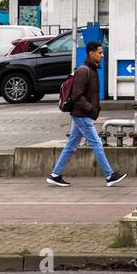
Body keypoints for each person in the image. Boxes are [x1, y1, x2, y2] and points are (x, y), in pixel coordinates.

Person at [46, 41, 126, 188]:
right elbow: (77, 95)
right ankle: (109, 175)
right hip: (82, 114)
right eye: (100, 52)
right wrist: (90, 109)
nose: (102, 55)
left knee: (70, 146)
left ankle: (55, 175)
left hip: (82, 114)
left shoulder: (91, 69)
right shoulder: (84, 71)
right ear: (91, 53)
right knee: (96, 144)